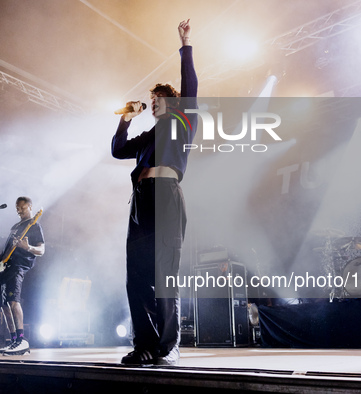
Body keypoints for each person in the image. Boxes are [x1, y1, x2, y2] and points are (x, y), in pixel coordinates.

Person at [111, 19, 198, 366]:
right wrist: (126, 118)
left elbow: (190, 84)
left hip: (166, 197)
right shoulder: (148, 137)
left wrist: (185, 44)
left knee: (164, 276)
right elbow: (118, 150)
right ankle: (144, 344)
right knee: (137, 277)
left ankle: (167, 346)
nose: (154, 102)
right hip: (141, 202)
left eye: (159, 98)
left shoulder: (184, 119)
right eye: (151, 99)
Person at [0, 196, 45, 354]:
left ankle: (22, 340)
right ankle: (13, 340)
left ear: (30, 207)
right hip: (5, 267)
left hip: (18, 266)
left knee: (14, 301)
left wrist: (27, 247)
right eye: (17, 208)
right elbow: (9, 248)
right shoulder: (15, 226)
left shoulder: (34, 225)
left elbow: (41, 250)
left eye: (22, 208)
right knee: (5, 305)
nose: (19, 211)